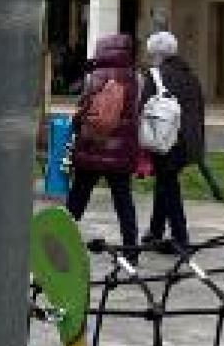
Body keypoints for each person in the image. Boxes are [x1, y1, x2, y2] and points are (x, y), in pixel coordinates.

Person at [66, 33, 141, 253]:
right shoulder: (136, 78)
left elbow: (84, 108)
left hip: (91, 146)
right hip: (120, 150)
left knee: (78, 198)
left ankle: (61, 240)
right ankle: (130, 248)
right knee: (123, 200)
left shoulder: (94, 77)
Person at [140, 32, 206, 253]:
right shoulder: (190, 76)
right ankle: (155, 232)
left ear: (156, 54)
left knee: (169, 186)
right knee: (165, 182)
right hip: (189, 141)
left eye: (151, 54)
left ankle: (181, 237)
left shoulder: (156, 75)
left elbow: (143, 107)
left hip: (167, 139)